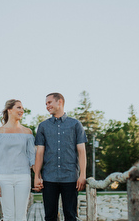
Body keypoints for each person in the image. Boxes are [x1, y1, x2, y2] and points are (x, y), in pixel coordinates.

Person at [34, 92, 87, 221]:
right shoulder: (43, 126)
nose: (47, 106)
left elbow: (81, 151)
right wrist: (36, 175)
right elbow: (39, 153)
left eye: (49, 102)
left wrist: (82, 175)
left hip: (70, 178)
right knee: (50, 216)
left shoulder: (75, 125)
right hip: (49, 178)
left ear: (60, 102)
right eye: (46, 104)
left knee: (70, 215)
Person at [0, 99, 35, 221]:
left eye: (22, 108)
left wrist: (38, 176)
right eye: (18, 107)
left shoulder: (28, 132)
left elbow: (32, 158)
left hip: (23, 176)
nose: (22, 110)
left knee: (21, 215)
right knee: (8, 216)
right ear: (9, 110)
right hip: (3, 177)